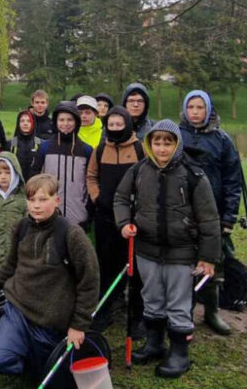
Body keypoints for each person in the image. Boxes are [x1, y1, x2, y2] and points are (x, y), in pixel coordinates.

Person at [114, 120, 221, 379]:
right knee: (152, 297)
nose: (162, 148)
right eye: (157, 142)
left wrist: (208, 256)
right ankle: (154, 344)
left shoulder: (193, 175)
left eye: (168, 142)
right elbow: (120, 198)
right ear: (149, 144)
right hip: (146, 250)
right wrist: (124, 223)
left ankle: (180, 353)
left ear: (177, 144)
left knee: (178, 303)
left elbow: (209, 218)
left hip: (181, 251)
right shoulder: (139, 170)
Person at [0, 173, 99, 379]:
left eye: (43, 199)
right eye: (32, 200)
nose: (36, 206)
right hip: (18, 310)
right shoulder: (21, 227)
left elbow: (89, 282)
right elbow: (10, 265)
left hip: (51, 320)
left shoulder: (72, 234)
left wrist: (79, 325)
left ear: (56, 200)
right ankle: (25, 360)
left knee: (50, 373)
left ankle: (38, 366)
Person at [179, 90, 244, 336]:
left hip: (214, 211)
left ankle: (212, 311)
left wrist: (229, 216)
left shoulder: (222, 140)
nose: (195, 112)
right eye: (191, 107)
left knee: (215, 261)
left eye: (200, 107)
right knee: (184, 262)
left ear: (209, 110)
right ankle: (185, 311)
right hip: (184, 209)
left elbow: (232, 180)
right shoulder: (177, 135)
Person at [86, 106, 144, 332]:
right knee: (106, 265)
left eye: (120, 125)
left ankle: (137, 316)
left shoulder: (139, 149)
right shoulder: (100, 149)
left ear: (128, 124)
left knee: (136, 267)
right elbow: (91, 176)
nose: (116, 129)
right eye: (112, 125)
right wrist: (97, 197)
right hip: (106, 217)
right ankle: (104, 311)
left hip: (133, 218)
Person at [34, 102, 93, 227]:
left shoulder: (86, 150)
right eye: (61, 120)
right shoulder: (45, 148)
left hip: (78, 216)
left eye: (70, 120)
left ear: (76, 122)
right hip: (49, 215)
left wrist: (87, 209)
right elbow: (34, 180)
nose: (65, 124)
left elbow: (90, 182)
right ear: (55, 122)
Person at [9, 110, 42, 177]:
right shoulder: (11, 143)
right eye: (22, 121)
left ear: (33, 123)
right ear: (18, 123)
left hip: (34, 182)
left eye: (28, 121)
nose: (25, 123)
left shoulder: (40, 143)